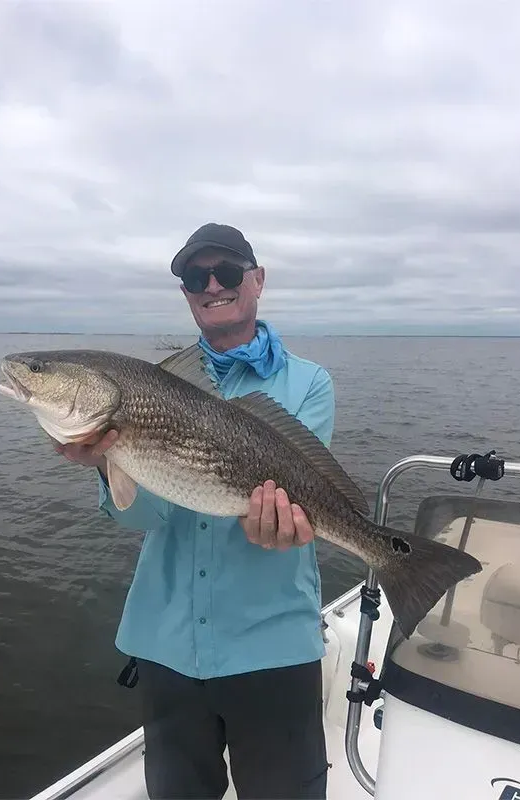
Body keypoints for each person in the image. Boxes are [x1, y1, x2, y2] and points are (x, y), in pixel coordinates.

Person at [53, 223, 336, 799]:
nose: (212, 285)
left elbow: (303, 501)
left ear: (257, 280)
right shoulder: (154, 385)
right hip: (167, 646)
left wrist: (287, 526)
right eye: (194, 277)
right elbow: (147, 518)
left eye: (227, 272)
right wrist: (105, 465)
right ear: (185, 292)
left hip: (271, 643)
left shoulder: (308, 383)